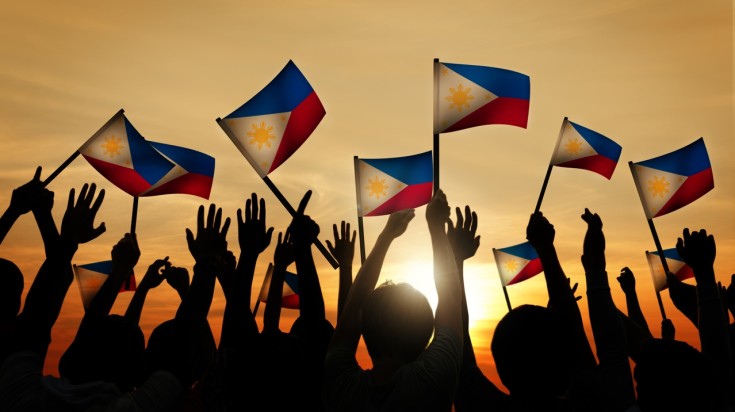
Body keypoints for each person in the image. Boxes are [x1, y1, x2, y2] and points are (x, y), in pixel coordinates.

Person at [323, 189, 463, 411]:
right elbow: (452, 298)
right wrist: (437, 227)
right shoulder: (435, 379)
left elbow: (353, 307)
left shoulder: (342, 386)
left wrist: (386, 236)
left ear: (365, 328)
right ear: (427, 333)